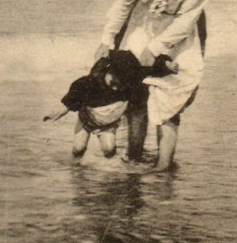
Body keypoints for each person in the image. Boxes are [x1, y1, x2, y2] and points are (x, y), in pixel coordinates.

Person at [96, 0, 212, 170]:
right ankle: (134, 158)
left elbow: (188, 18)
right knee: (136, 95)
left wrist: (158, 47)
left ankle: (163, 165)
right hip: (142, 26)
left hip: (179, 35)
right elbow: (124, 2)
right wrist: (107, 38)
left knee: (170, 97)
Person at [44, 50, 177, 160]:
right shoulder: (90, 82)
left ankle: (112, 171)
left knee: (108, 149)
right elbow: (75, 94)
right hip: (87, 118)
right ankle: (76, 170)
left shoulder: (131, 77)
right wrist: (62, 110)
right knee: (79, 148)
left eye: (121, 84)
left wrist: (166, 65)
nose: (116, 88)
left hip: (108, 123)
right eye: (113, 82)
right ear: (109, 71)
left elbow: (152, 69)